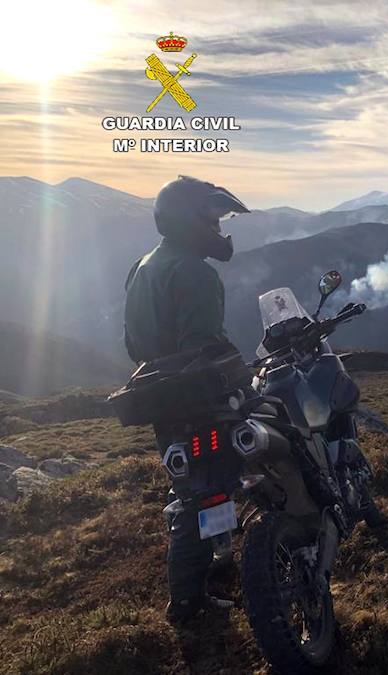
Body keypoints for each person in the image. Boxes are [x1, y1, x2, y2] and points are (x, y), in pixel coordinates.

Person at [123, 175, 249, 622]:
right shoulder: (195, 272)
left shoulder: (143, 265)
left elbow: (133, 344)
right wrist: (244, 376)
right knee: (210, 494)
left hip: (161, 400)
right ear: (188, 220)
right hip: (197, 403)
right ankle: (190, 604)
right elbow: (204, 349)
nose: (218, 228)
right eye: (212, 218)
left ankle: (209, 569)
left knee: (190, 487)